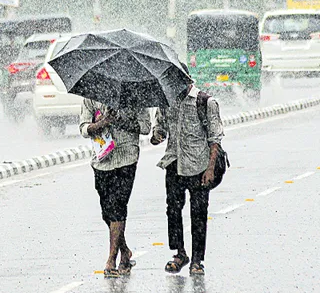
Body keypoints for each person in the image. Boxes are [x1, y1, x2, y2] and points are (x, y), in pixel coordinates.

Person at [151, 82, 224, 276]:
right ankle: (180, 253)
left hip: (199, 165)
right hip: (174, 163)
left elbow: (215, 138)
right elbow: (160, 128)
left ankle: (197, 260)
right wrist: (157, 135)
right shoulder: (165, 101)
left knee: (198, 213)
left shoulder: (205, 102)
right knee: (173, 210)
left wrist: (210, 169)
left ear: (187, 81)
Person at [79, 99, 151, 278]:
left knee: (118, 206)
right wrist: (103, 123)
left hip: (127, 157)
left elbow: (145, 127)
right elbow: (83, 128)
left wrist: (121, 120)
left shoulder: (135, 94)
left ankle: (111, 259)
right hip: (102, 160)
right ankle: (124, 250)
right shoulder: (90, 95)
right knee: (107, 212)